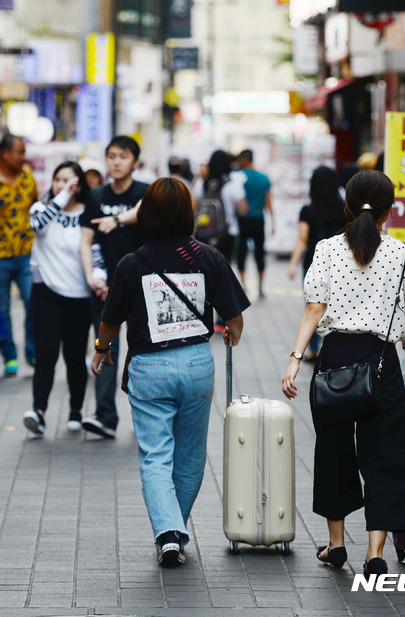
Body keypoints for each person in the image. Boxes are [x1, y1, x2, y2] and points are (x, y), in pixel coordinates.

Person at [91, 177, 250, 567]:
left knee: (155, 455)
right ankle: (175, 530)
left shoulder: (133, 263)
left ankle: (167, 533)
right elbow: (235, 319)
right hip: (197, 362)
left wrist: (101, 349)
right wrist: (232, 333)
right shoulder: (206, 257)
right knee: (192, 455)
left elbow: (111, 320)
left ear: (145, 214)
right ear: (187, 213)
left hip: (149, 367)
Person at [282, 170, 405, 577]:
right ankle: (375, 554)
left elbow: (314, 308)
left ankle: (336, 544)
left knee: (333, 452)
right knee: (384, 455)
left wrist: (295, 358)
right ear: (389, 212)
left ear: (348, 206)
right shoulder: (401, 254)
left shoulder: (327, 249)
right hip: (380, 362)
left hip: (336, 359)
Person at [79, 135, 148, 438]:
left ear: (135, 160)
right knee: (104, 350)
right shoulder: (96, 195)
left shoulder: (145, 192)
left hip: (142, 289)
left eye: (123, 156)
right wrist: (92, 278)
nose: (116, 162)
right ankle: (105, 417)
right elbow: (85, 242)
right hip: (105, 288)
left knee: (142, 353)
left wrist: (117, 219)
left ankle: (146, 415)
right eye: (111, 156)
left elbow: (145, 210)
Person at [23, 161, 91, 435]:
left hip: (79, 296)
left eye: (69, 181)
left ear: (80, 186)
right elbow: (38, 226)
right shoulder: (41, 209)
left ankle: (75, 410)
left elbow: (93, 247)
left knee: (75, 357)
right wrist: (62, 196)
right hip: (45, 294)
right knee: (46, 355)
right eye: (58, 180)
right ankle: (38, 411)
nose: (62, 185)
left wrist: (97, 275)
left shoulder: (88, 214)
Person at [288, 166, 347, 362]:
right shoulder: (344, 209)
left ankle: (312, 349)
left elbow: (302, 238)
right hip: (340, 265)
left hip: (313, 264)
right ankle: (331, 348)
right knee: (336, 306)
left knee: (313, 307)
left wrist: (293, 264)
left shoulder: (308, 210)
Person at [0, 132, 38, 376]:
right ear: (5, 154)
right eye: (20, 152)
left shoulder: (28, 178)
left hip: (27, 255)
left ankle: (32, 353)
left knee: (33, 303)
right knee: (1, 311)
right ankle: (10, 356)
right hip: (0, 256)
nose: (24, 157)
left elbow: (36, 210)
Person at [192, 149, 248, 263]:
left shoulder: (202, 184)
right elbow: (243, 211)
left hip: (203, 234)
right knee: (224, 269)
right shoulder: (233, 185)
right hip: (228, 233)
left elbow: (192, 209)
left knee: (205, 268)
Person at [236, 149, 273, 298]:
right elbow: (268, 201)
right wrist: (273, 220)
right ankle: (260, 286)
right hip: (259, 218)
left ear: (245, 159)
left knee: (241, 252)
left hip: (242, 219)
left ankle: (243, 285)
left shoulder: (238, 178)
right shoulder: (264, 178)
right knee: (259, 253)